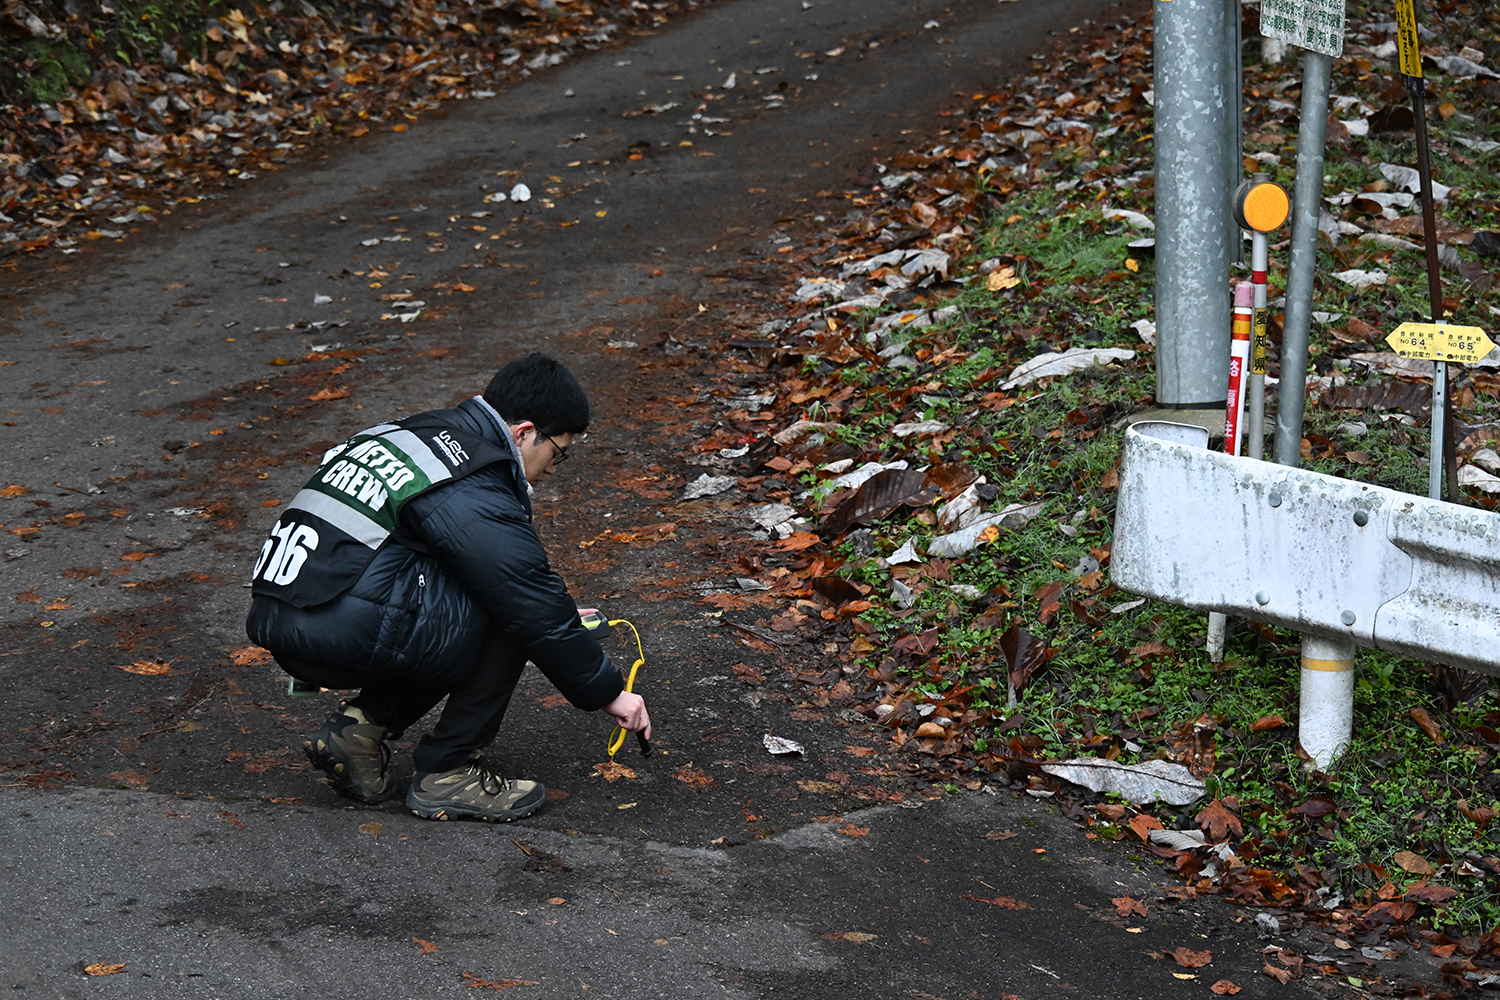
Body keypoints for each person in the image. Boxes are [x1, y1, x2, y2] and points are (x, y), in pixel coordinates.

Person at [244, 353, 649, 823]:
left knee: (499, 599)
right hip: (334, 623)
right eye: (558, 452)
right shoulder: (472, 474)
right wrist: (610, 692)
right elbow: (523, 595)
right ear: (523, 433)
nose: (555, 468)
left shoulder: (423, 434)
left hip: (295, 611)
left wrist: (558, 618)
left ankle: (357, 733)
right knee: (509, 614)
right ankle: (449, 771)